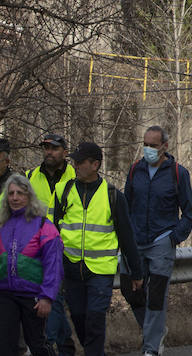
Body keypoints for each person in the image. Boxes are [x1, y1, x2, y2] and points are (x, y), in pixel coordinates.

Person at [55, 143, 143, 356]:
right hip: (71, 267)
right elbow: (51, 231)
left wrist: (136, 272)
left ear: (95, 165)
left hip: (100, 272)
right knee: (78, 316)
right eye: (74, 161)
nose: (74, 165)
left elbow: (127, 237)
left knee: (95, 318)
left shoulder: (113, 196)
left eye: (80, 162)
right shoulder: (63, 191)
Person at [121, 125, 192, 356]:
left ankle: (150, 349)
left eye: (153, 145)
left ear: (165, 146)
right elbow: (126, 206)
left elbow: (189, 212)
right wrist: (125, 236)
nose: (148, 149)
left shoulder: (177, 173)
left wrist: (174, 237)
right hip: (135, 241)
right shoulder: (135, 171)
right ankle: (155, 330)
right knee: (128, 289)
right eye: (145, 144)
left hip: (162, 240)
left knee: (156, 296)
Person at [1, 173, 63, 356]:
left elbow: (54, 265)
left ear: (29, 196)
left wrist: (47, 296)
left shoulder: (44, 225)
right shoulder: (2, 224)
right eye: (11, 193)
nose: (14, 198)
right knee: (5, 346)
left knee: (37, 345)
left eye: (19, 193)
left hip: (33, 296)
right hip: (5, 294)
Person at [29, 133, 76, 356]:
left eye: (54, 148)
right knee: (54, 297)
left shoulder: (75, 176)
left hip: (69, 248)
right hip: (40, 249)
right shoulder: (30, 177)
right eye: (46, 148)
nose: (49, 152)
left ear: (65, 152)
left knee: (56, 299)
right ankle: (59, 346)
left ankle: (55, 344)